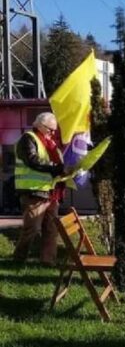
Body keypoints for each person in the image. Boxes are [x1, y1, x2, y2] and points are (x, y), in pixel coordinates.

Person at [13, 112, 67, 265]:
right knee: (32, 228)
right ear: (40, 126)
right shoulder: (27, 138)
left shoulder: (50, 143)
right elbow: (33, 160)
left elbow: (56, 164)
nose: (53, 132)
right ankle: (19, 259)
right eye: (50, 129)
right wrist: (56, 168)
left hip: (51, 192)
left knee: (51, 229)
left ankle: (48, 261)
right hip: (32, 192)